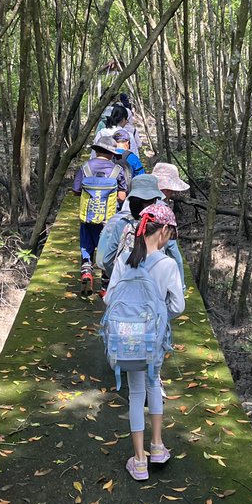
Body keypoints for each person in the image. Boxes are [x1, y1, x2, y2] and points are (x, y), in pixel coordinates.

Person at [103, 203, 184, 480]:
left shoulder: (126, 259)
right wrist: (159, 317)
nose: (171, 239)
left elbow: (108, 298)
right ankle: (158, 447)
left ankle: (139, 461)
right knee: (154, 383)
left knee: (136, 394)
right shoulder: (168, 264)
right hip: (154, 339)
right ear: (162, 230)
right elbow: (179, 306)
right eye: (171, 233)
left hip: (127, 338)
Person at [97, 172, 184, 289]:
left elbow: (107, 260)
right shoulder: (162, 226)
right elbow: (176, 258)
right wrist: (181, 288)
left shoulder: (122, 224)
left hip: (125, 289)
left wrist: (119, 279)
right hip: (154, 290)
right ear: (155, 201)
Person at [72, 129, 128, 296]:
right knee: (108, 251)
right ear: (112, 154)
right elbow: (122, 196)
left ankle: (87, 272)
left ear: (96, 151)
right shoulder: (117, 170)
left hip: (88, 217)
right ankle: (105, 288)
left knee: (86, 245)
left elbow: (76, 190)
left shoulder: (85, 167)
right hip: (109, 220)